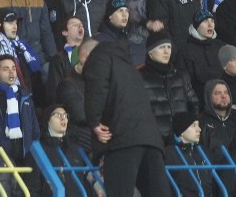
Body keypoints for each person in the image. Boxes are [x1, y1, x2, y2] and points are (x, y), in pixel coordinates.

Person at [83, 31, 170, 196]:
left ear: (86, 55)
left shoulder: (98, 58)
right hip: (151, 139)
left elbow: (97, 90)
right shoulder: (127, 65)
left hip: (122, 138)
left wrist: (94, 121)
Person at [138, 31, 199, 144]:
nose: (166, 51)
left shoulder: (181, 76)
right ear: (150, 52)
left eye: (169, 47)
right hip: (153, 141)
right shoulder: (138, 77)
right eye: (161, 47)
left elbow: (193, 104)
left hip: (181, 141)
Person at [163, 112, 214, 197]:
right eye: (194, 125)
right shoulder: (169, 153)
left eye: (198, 125)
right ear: (182, 131)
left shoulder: (203, 151)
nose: (199, 129)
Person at [183, 10, 226, 101]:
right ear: (196, 26)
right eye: (205, 21)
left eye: (212, 21)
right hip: (200, 100)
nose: (210, 25)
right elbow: (186, 84)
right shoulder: (186, 51)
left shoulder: (222, 46)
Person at [198, 79, 236, 153]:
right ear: (208, 97)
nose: (223, 96)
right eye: (218, 93)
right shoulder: (200, 121)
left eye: (226, 92)